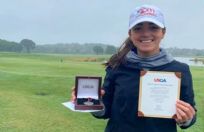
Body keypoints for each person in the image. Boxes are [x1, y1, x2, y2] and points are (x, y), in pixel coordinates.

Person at [71, 4, 196, 132]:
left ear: (163, 32)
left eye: (153, 28)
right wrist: (92, 103)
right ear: (130, 33)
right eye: (138, 28)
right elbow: (105, 111)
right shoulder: (117, 65)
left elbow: (190, 116)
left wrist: (186, 118)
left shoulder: (180, 70)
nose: (146, 33)